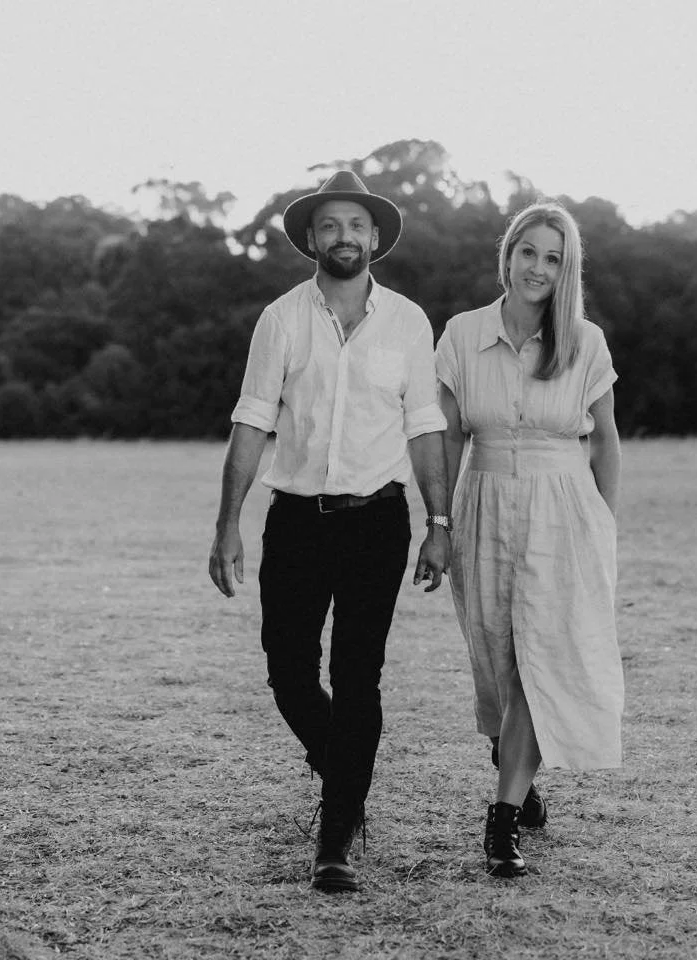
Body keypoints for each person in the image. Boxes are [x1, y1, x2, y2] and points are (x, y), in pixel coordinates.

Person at [209, 170, 452, 894]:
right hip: (296, 521)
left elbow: (425, 426)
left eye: (355, 225)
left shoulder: (408, 322)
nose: (343, 237)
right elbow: (252, 420)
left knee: (356, 676)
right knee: (288, 671)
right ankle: (345, 770)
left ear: (374, 237)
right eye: (330, 226)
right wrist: (227, 525)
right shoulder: (281, 319)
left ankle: (336, 836)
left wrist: (439, 523)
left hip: (379, 520)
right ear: (312, 239)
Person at [435, 201, 622, 878]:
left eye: (553, 258)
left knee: (538, 663)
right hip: (483, 504)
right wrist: (437, 523)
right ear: (507, 255)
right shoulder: (462, 334)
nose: (538, 268)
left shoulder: (585, 342)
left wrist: (603, 524)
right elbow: (448, 436)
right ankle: (510, 761)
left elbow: (605, 441)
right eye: (528, 252)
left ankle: (503, 816)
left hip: (563, 512)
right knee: (495, 661)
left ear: (566, 269)